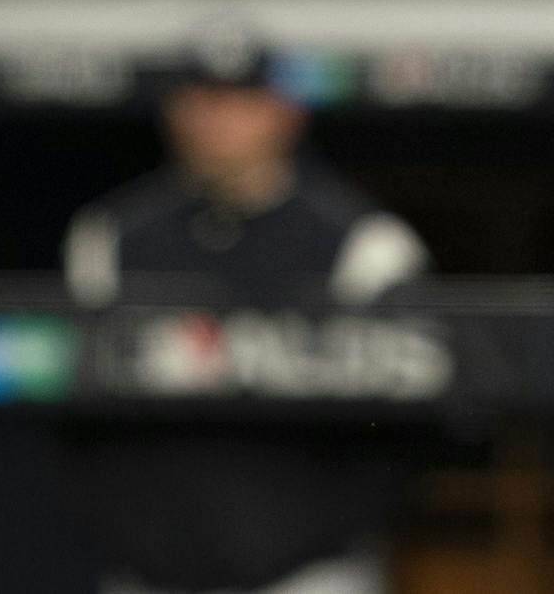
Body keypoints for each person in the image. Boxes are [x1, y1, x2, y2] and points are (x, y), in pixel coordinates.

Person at [60, 41, 428, 594]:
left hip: (309, 574)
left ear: (287, 112)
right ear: (173, 113)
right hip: (148, 574)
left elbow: (406, 428)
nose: (219, 122)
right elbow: (72, 418)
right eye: (203, 102)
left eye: (242, 102)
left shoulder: (364, 245)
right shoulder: (109, 238)